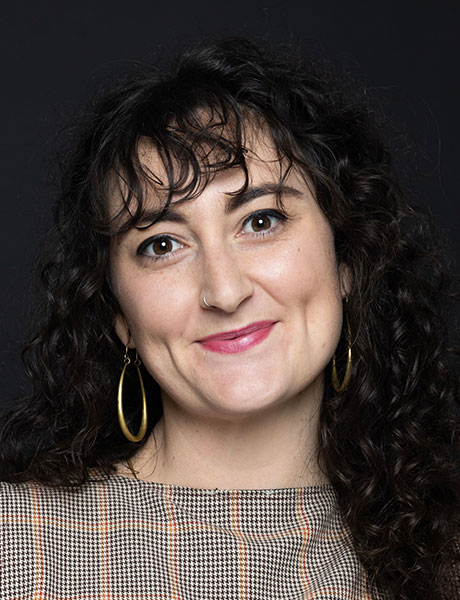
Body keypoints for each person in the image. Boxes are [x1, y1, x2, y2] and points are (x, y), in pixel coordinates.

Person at [0, 38, 458, 600]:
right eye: (163, 244)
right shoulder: (16, 546)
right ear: (119, 315)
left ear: (346, 260)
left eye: (261, 221)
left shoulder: (443, 560)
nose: (224, 290)